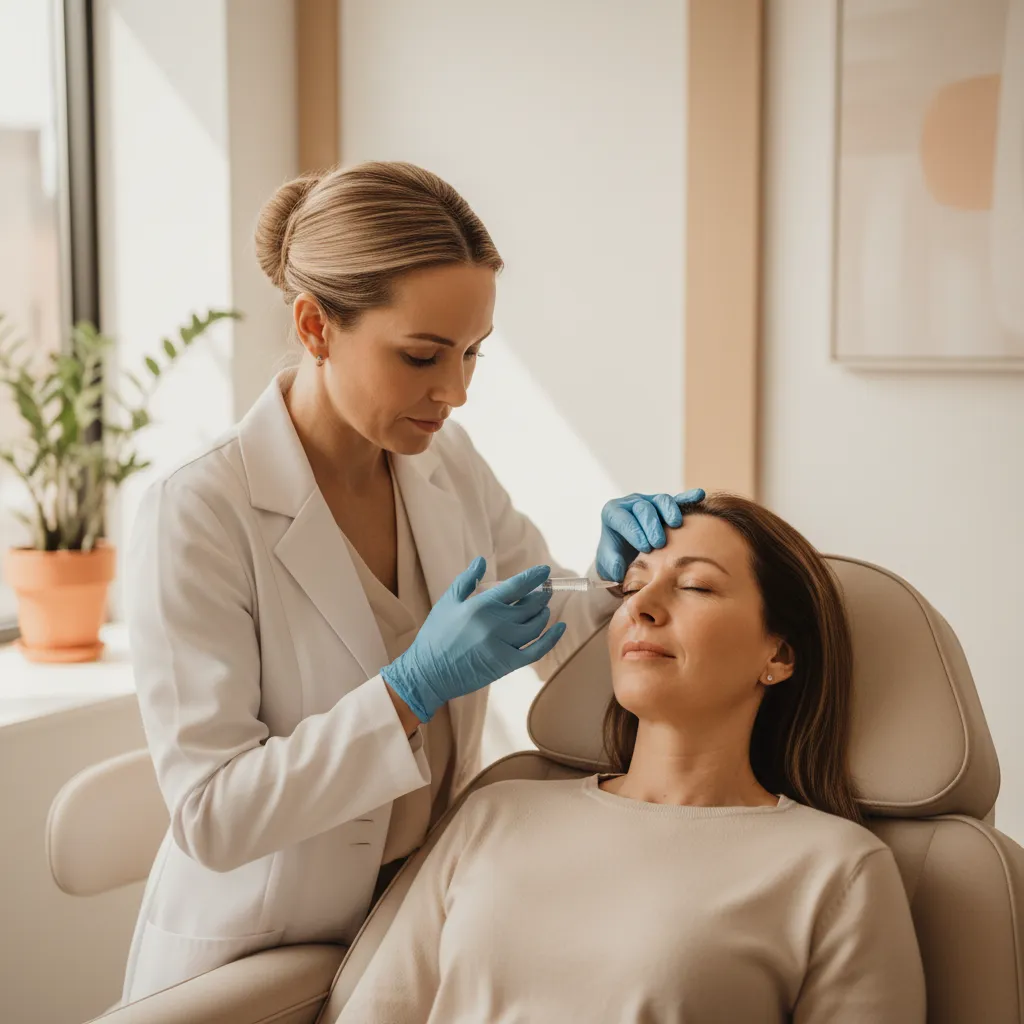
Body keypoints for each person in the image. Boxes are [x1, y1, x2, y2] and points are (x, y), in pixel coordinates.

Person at [120, 159, 704, 1003]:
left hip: (411, 924)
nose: (456, 392)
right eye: (424, 355)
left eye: (472, 354)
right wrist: (407, 691)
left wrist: (619, 590)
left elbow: (550, 636)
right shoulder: (200, 512)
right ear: (315, 326)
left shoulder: (444, 464)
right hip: (251, 962)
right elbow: (214, 814)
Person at [337, 493, 927, 1024]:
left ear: (779, 654)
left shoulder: (835, 869)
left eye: (695, 586)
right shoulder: (492, 813)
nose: (641, 605)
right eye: (631, 585)